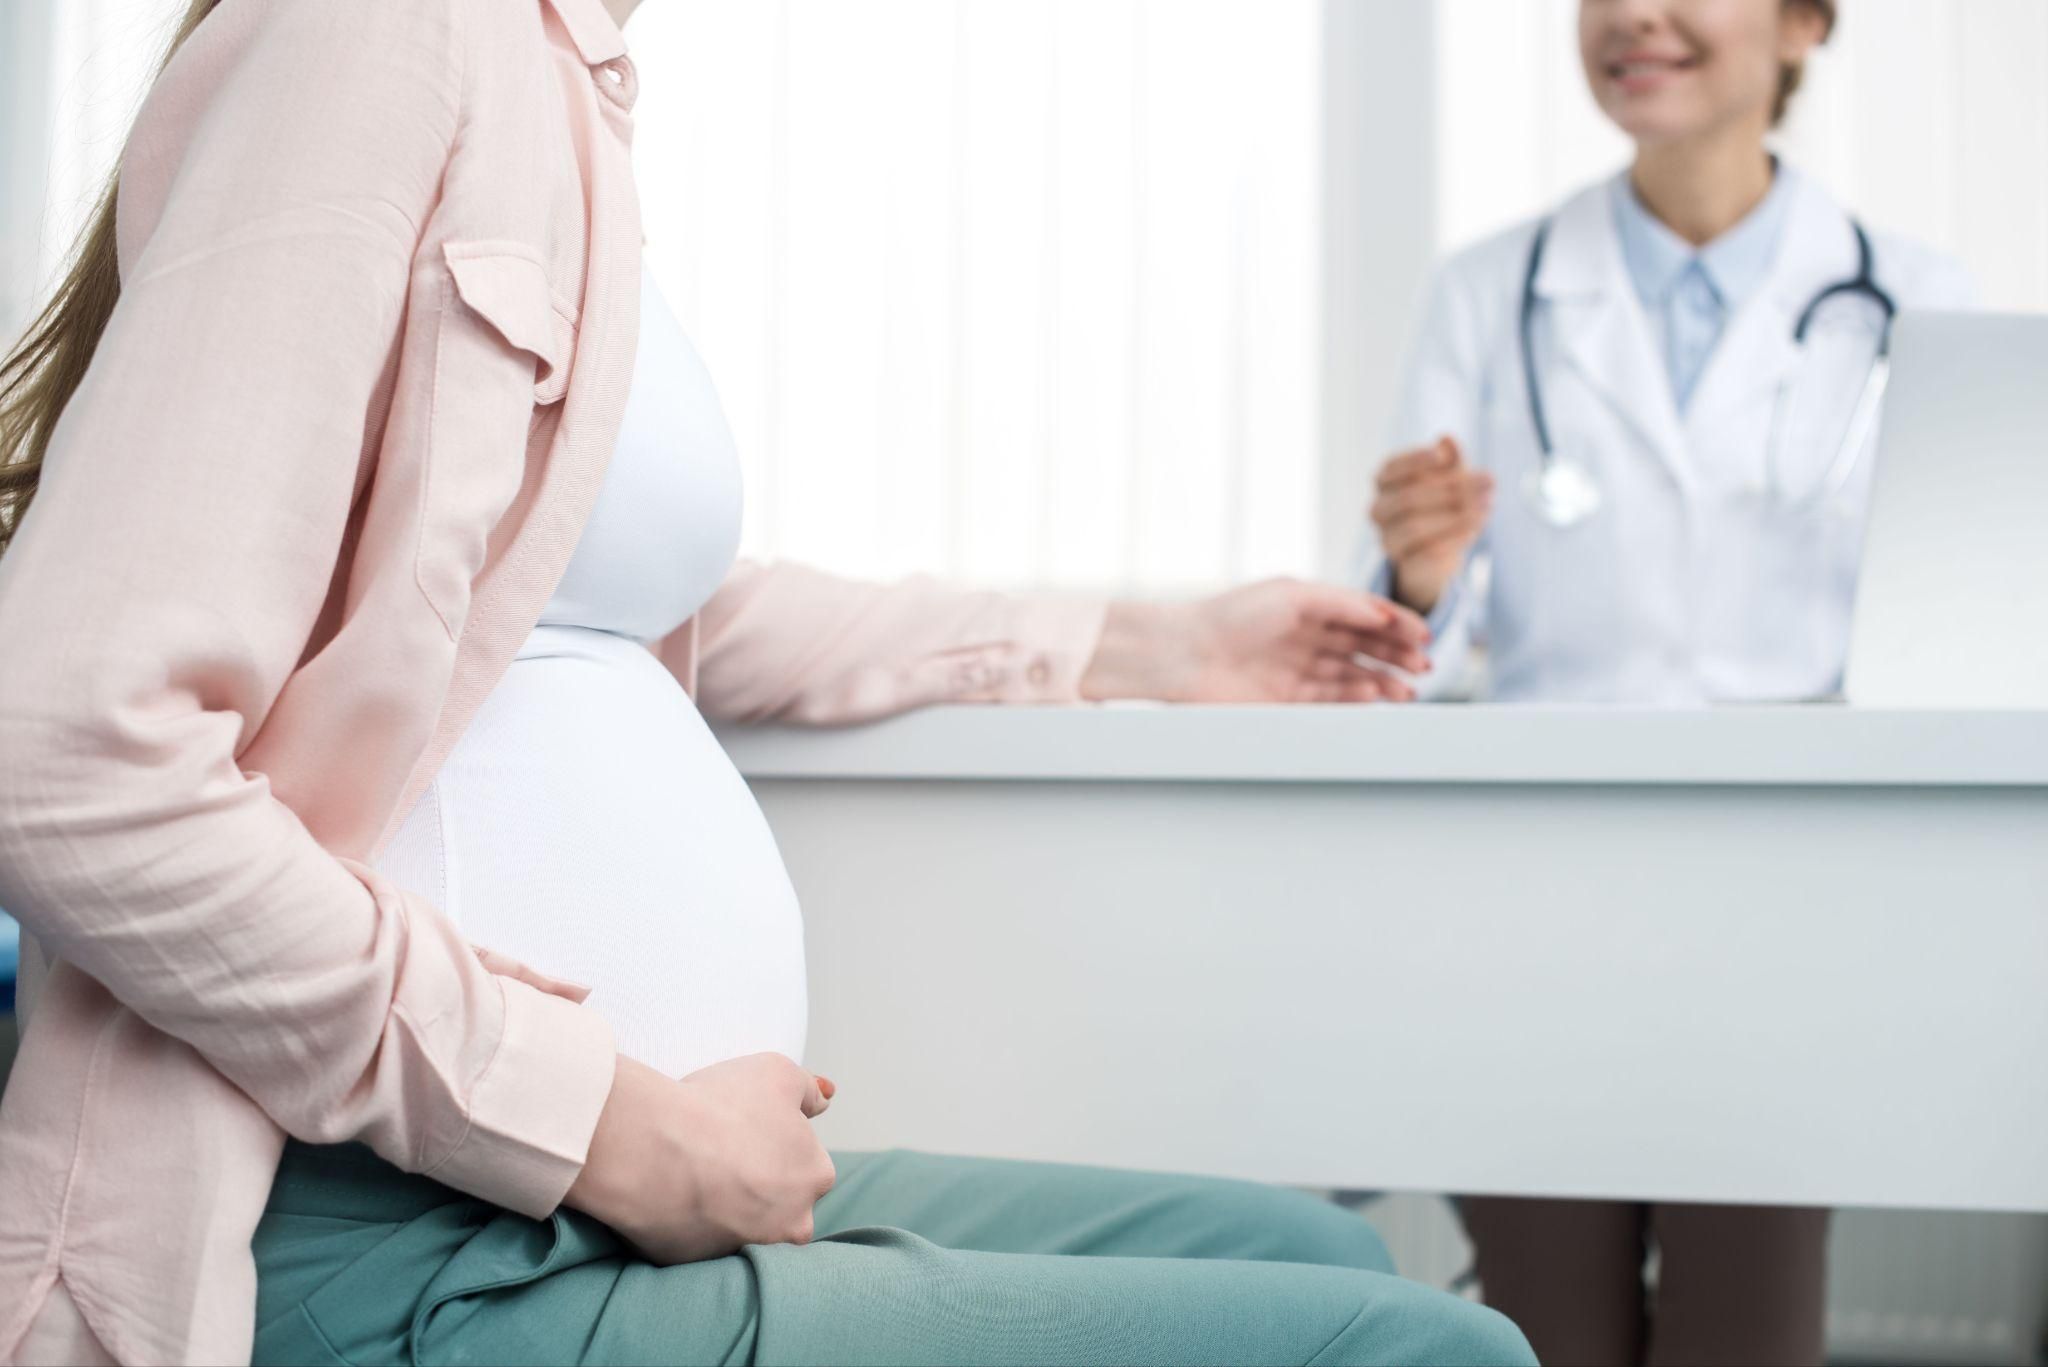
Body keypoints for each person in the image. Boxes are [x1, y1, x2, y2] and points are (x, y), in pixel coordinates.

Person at [0, 1, 1535, 1364]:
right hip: (410, 1223)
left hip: (594, 1182)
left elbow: (622, 604)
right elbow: (63, 754)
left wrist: (1161, 648)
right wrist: (599, 1123)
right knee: (1418, 1349)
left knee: (1319, 1254)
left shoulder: (554, 80)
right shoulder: (381, 32)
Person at [1361, 0, 1971, 1363]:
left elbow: (1967, 630)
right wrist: (1419, 575)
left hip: (1784, 907)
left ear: (1806, 21)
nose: (1634, 15)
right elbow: (1395, 648)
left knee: (1747, 1327)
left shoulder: (1925, 303)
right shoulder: (1489, 290)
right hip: (1537, 900)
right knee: (1540, 1323)